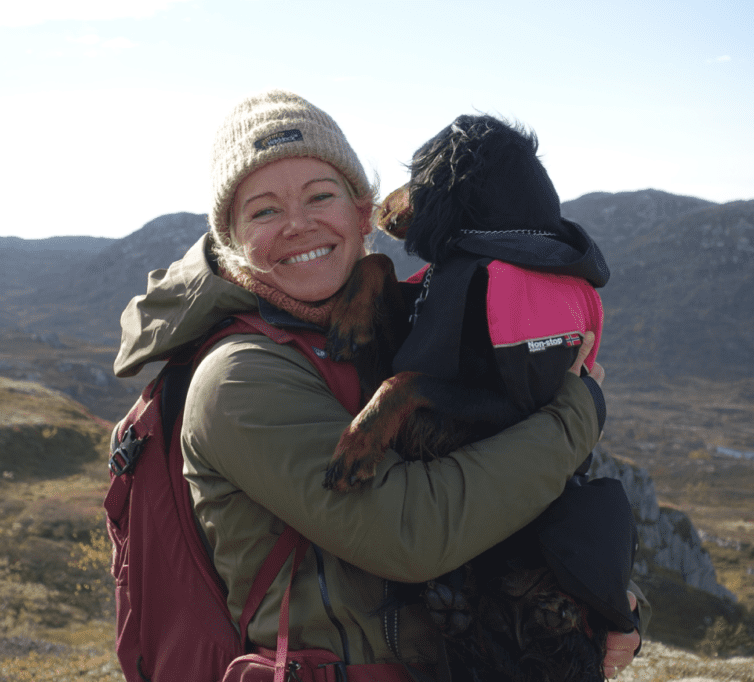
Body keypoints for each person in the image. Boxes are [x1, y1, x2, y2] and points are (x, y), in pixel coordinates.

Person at [113, 90, 648, 679]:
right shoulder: (237, 377)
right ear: (232, 237)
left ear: (361, 212)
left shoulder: (387, 315)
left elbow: (510, 481)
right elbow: (410, 534)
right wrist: (578, 410)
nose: (298, 224)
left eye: (320, 196)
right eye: (264, 211)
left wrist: (598, 597)